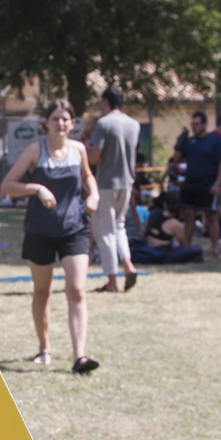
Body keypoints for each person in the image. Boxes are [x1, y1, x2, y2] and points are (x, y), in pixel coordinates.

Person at [0, 97, 101, 373]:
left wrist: (93, 194)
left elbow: (88, 177)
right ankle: (44, 348)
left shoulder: (78, 150)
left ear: (73, 123)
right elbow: (7, 185)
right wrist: (36, 189)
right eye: (55, 118)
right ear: (46, 123)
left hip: (74, 229)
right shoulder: (35, 150)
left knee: (77, 290)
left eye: (65, 118)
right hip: (40, 231)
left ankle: (80, 356)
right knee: (42, 292)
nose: (60, 123)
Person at [86, 86, 140, 293]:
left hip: (106, 184)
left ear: (106, 101)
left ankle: (111, 281)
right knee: (119, 227)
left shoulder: (104, 123)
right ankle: (128, 264)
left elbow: (94, 158)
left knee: (105, 231)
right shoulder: (134, 124)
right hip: (126, 183)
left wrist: (85, 148)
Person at [173, 113, 221, 257]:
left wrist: (217, 182)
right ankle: (186, 247)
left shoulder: (214, 141)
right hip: (190, 184)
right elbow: (177, 159)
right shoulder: (190, 142)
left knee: (211, 217)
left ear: (204, 124)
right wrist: (179, 144)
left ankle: (216, 249)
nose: (194, 127)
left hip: (208, 184)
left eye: (197, 124)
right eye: (192, 124)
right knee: (189, 216)